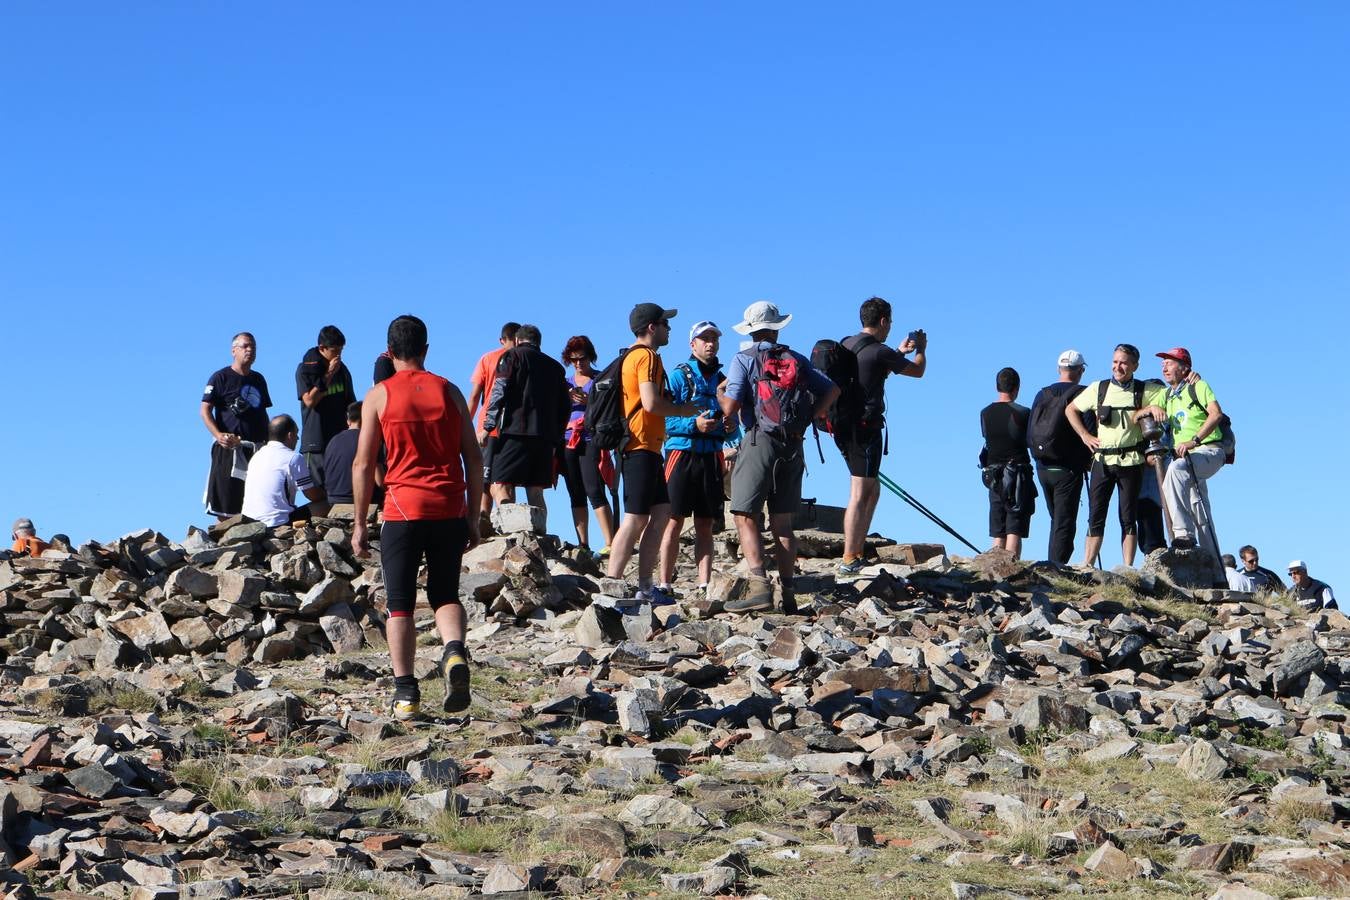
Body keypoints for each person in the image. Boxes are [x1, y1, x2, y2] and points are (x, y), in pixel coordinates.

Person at [352, 315, 483, 720]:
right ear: (426, 350)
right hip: (448, 507)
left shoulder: (378, 396)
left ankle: (406, 694)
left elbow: (362, 463)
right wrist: (473, 517)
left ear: (390, 354)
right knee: (445, 594)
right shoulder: (450, 392)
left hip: (403, 509)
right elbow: (474, 460)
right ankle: (454, 652)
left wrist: (360, 523)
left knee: (400, 604)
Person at [720, 301, 839, 613]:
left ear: (750, 329)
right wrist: (813, 416)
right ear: (776, 329)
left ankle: (758, 585)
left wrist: (721, 395)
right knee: (783, 522)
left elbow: (730, 409)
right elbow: (832, 390)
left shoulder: (743, 359)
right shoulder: (796, 359)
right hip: (794, 444)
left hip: (760, 440)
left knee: (745, 514)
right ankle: (787, 593)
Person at [604, 303, 700, 605]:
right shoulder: (645, 356)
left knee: (659, 514)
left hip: (647, 447)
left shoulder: (635, 357)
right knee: (636, 518)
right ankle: (611, 584)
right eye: (664, 324)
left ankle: (645, 587)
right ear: (651, 327)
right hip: (639, 446)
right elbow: (649, 403)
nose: (668, 328)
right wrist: (682, 411)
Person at [836, 297, 927, 577]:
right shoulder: (880, 351)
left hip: (842, 426)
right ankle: (849, 557)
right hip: (865, 429)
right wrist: (920, 350)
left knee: (871, 489)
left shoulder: (847, 344)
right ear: (884, 321)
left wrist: (898, 350)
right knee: (860, 492)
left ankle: (857, 551)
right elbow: (918, 371)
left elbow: (873, 367)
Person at [658, 320, 739, 595]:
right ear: (693, 344)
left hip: (711, 456)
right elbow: (664, 420)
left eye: (714, 339)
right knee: (673, 519)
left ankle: (704, 584)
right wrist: (694, 425)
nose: (711, 343)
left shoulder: (723, 380)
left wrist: (731, 427)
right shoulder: (679, 375)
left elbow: (734, 422)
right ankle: (664, 583)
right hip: (681, 454)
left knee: (706, 522)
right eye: (704, 339)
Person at [1066, 343, 1163, 568]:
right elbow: (1071, 409)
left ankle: (1127, 567)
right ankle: (1087, 564)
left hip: (1131, 461)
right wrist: (1084, 436)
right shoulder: (1098, 388)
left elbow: (1171, 397)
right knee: (1095, 515)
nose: (1118, 367)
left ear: (1135, 366)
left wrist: (1148, 410)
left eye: (1124, 363)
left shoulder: (1146, 390)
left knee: (1128, 518)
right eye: (1115, 362)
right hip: (1102, 461)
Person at [1136, 348, 1227, 556]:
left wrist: (1194, 440)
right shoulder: (1166, 395)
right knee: (1200, 510)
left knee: (1175, 470)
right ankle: (1216, 572)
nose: (1164, 366)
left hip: (1209, 450)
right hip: (1188, 459)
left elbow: (1216, 415)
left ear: (1184, 367)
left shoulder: (1199, 386)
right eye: (1163, 363)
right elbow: (1136, 417)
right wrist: (1152, 409)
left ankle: (1182, 534)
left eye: (1170, 362)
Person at [483, 324, 570, 511]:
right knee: (536, 490)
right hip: (545, 437)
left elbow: (499, 392)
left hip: (516, 432)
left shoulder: (512, 356)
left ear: (516, 340)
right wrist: (556, 438)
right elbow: (565, 407)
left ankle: (510, 527)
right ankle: (540, 533)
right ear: (539, 342)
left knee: (500, 484)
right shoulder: (556, 367)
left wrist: (488, 426)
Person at [1027, 350, 1092, 564]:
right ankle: (1056, 567)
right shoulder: (1083, 393)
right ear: (1081, 370)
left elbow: (1030, 429)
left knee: (1056, 519)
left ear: (1059, 369)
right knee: (1064, 522)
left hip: (1043, 466)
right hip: (1069, 467)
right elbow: (1090, 432)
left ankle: (1053, 563)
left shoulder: (1042, 394)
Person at [201, 332, 272, 519]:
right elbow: (205, 410)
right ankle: (225, 544)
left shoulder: (258, 379)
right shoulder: (220, 377)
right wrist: (218, 435)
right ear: (234, 350)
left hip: (256, 448)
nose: (250, 350)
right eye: (245, 346)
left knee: (255, 501)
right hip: (229, 447)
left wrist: (271, 442)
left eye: (253, 347)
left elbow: (264, 412)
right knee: (226, 505)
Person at [559, 335, 617, 553]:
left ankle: (611, 542)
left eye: (582, 358)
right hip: (568, 440)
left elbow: (610, 407)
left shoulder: (600, 379)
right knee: (575, 492)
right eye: (573, 359)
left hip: (591, 438)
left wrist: (589, 402)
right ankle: (583, 544)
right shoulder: (565, 383)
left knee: (594, 489)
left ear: (589, 357)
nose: (578, 364)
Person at [467, 323, 521, 529]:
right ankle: (507, 522)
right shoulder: (523, 360)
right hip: (514, 428)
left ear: (502, 339)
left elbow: (474, 396)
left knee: (485, 476)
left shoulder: (488, 359)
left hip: (487, 426)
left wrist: (466, 425)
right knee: (506, 478)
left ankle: (483, 518)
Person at [980, 367, 1035, 559]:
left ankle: (995, 570)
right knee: (1014, 527)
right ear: (1017, 388)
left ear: (997, 386)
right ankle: (1011, 569)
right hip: (1018, 473)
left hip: (993, 476)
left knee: (998, 529)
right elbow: (1030, 441)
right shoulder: (1024, 413)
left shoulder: (985, 413)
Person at [295, 325, 355, 489]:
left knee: (340, 491)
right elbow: (309, 401)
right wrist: (328, 375)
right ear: (322, 348)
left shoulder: (342, 371)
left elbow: (351, 403)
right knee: (318, 494)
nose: (338, 356)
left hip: (339, 441)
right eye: (335, 351)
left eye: (341, 351)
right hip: (316, 445)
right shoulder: (305, 369)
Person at [241, 415, 326, 527]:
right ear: (290, 435)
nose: (298, 439)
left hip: (252, 522)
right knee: (328, 503)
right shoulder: (293, 458)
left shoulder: (256, 456)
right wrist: (326, 493)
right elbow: (311, 495)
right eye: (296, 434)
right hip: (278, 522)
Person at [321, 402, 365, 506]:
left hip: (333, 500)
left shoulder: (333, 440)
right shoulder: (368, 439)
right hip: (357, 500)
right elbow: (378, 476)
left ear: (348, 421)